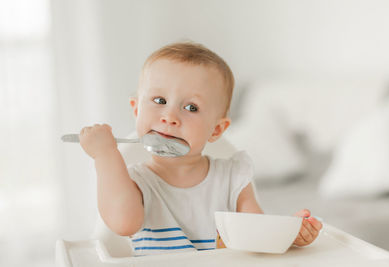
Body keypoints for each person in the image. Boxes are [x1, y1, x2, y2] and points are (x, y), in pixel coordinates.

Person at [79, 42, 323, 256]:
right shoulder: (136, 182)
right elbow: (123, 224)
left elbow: (255, 238)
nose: (169, 116)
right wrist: (105, 155)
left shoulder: (233, 177)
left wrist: (288, 234)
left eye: (191, 107)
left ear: (216, 130)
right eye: (160, 101)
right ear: (136, 110)